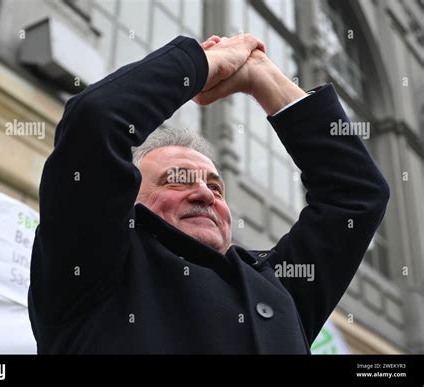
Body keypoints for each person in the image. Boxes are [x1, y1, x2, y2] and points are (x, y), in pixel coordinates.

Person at [28, 34, 390, 354]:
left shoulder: (279, 290)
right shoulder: (93, 268)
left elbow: (358, 195)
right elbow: (95, 121)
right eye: (177, 180)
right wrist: (202, 65)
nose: (204, 193)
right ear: (127, 203)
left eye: (215, 186)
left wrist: (264, 79)